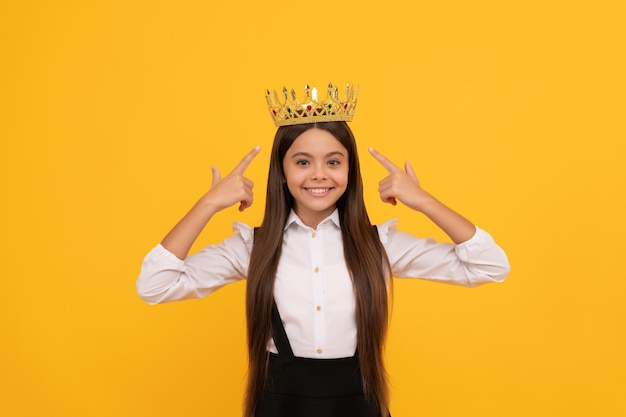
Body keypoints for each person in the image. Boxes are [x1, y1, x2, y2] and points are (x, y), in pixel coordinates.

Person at [136, 83, 510, 417]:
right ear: (281, 172)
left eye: (333, 162)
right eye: (302, 162)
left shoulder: (379, 245)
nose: (319, 174)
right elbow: (155, 285)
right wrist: (207, 205)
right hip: (279, 405)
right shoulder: (254, 246)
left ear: (350, 171)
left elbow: (489, 266)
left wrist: (425, 202)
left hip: (358, 404)